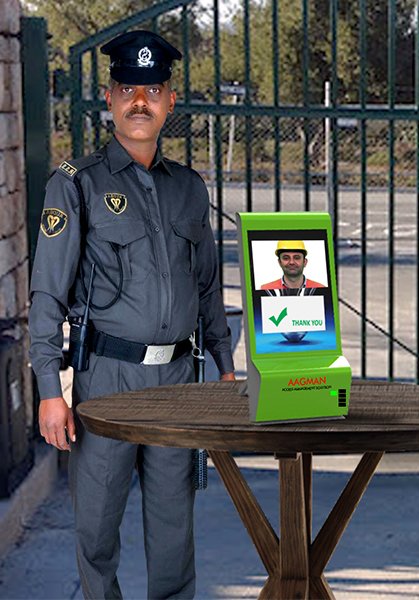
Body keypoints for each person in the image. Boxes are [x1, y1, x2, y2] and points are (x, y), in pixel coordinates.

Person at [28, 30, 235, 599]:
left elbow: (208, 287)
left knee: (174, 534)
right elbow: (47, 293)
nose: (139, 100)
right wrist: (50, 388)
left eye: (152, 89)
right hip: (106, 381)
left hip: (177, 382)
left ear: (169, 101)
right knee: (96, 533)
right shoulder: (77, 185)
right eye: (127, 89)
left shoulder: (190, 189)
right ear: (109, 97)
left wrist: (223, 364)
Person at [260, 240, 326, 296]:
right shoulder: (266, 290)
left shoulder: (320, 289)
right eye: (286, 258)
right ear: (279, 262)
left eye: (297, 258)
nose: (291, 262)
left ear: (305, 262)